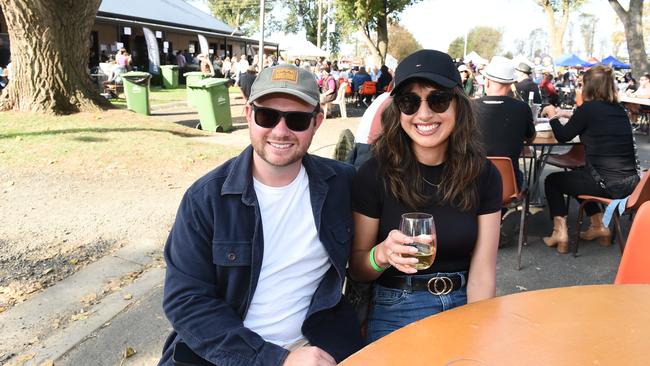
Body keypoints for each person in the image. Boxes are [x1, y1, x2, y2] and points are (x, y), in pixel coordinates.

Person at [159, 64, 363, 366]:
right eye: (267, 116)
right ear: (248, 114)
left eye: (296, 120)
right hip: (225, 354)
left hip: (314, 345)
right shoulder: (206, 200)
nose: (280, 131)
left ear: (317, 122)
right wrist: (276, 360)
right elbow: (187, 302)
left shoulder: (342, 183)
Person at [348, 49, 502, 343]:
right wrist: (382, 254)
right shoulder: (373, 174)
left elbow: (483, 273)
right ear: (398, 110)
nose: (424, 113)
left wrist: (478, 329)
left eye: (438, 99)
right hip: (397, 304)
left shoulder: (483, 174)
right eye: (409, 101)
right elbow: (357, 268)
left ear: (458, 104)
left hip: (463, 300)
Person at [540, 65, 639, 254]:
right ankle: (598, 226)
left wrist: (552, 115)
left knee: (553, 181)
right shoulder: (619, 110)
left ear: (588, 86)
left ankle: (559, 233)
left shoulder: (588, 109)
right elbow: (596, 121)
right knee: (579, 176)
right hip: (631, 185)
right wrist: (570, 114)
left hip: (606, 185)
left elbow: (562, 136)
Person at [476, 56, 536, 189]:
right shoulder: (522, 108)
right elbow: (530, 139)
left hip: (471, 183)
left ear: (487, 82)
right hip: (508, 185)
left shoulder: (469, 108)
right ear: (510, 85)